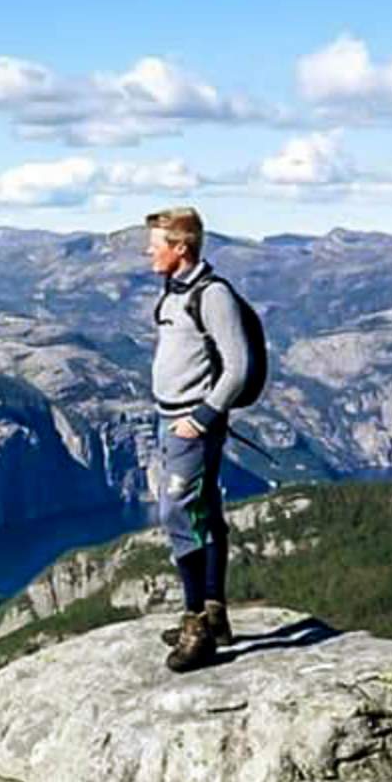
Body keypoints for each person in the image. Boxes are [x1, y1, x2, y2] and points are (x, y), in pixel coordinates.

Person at [146, 206, 251, 672]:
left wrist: (204, 416)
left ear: (181, 247)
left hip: (192, 424)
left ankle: (196, 629)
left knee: (177, 514)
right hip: (171, 419)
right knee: (204, 509)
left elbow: (239, 366)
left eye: (155, 245)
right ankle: (214, 615)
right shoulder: (176, 290)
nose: (148, 253)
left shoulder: (213, 296)